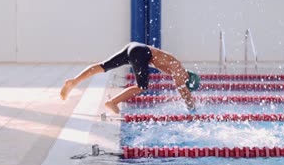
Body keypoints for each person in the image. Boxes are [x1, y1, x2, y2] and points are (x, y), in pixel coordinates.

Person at [60, 42, 200, 113]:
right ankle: (112, 102)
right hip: (141, 53)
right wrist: (193, 109)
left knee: (104, 66)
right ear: (189, 81)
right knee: (142, 87)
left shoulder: (176, 64)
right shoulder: (180, 71)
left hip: (134, 47)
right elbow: (183, 91)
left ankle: (74, 81)